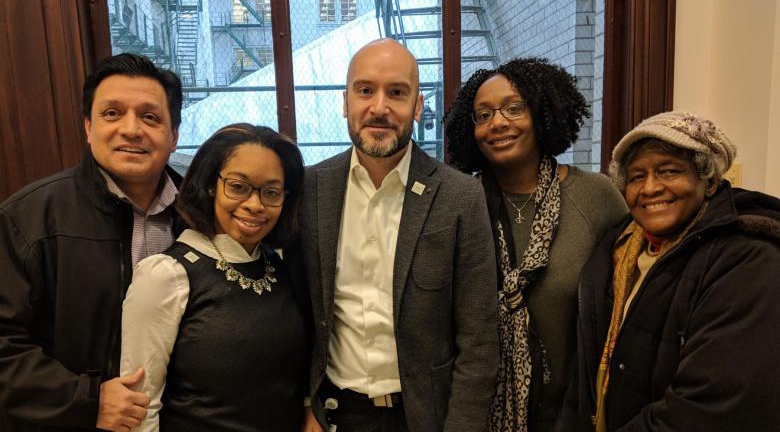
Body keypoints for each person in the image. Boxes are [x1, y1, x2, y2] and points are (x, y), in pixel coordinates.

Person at [296, 38, 499, 432]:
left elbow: (479, 342)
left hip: (424, 418)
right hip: (332, 416)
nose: (379, 107)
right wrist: (307, 405)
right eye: (365, 90)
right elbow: (296, 314)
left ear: (417, 106)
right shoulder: (310, 189)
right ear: (345, 103)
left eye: (397, 93)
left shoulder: (460, 196)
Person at [558, 111, 780, 431]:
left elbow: (711, 403)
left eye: (669, 171)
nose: (650, 188)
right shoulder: (615, 249)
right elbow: (585, 376)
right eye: (636, 177)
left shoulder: (749, 259)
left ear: (709, 181)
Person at [0, 53, 183, 431]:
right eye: (112, 114)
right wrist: (85, 400)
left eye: (150, 117)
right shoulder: (29, 218)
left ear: (173, 135)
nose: (131, 129)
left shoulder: (200, 216)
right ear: (87, 127)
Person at [443, 57, 627, 431]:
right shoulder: (460, 203)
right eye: (482, 115)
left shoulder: (595, 196)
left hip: (575, 412)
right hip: (477, 414)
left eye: (514, 108)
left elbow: (629, 293)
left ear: (543, 112)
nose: (497, 123)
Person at [120, 123, 312, 431]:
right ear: (210, 185)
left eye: (271, 192)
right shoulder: (165, 275)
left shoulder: (278, 266)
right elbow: (140, 406)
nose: (255, 205)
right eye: (238, 187)